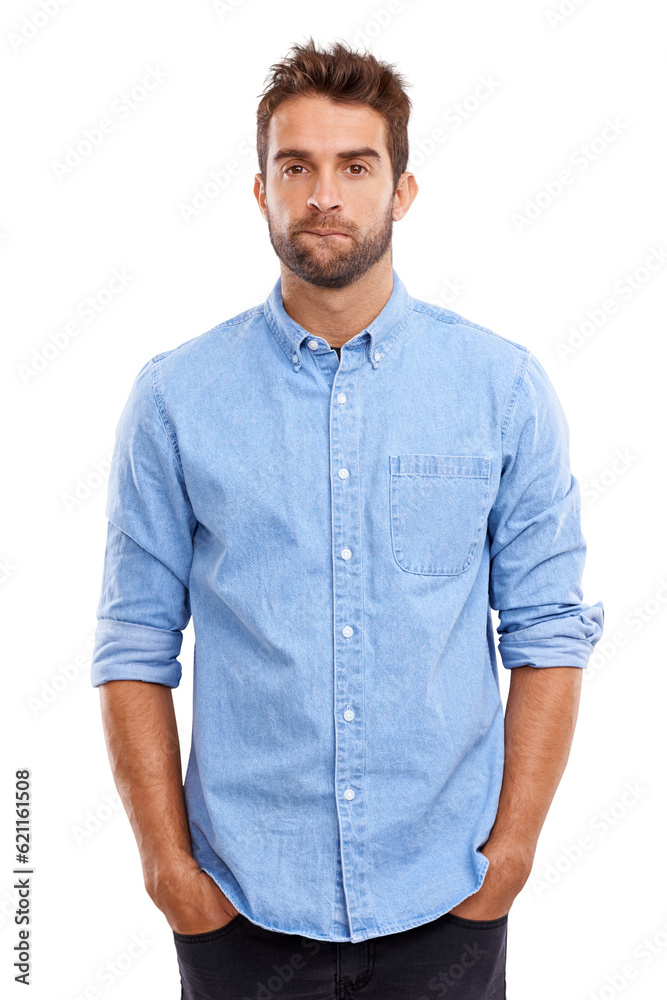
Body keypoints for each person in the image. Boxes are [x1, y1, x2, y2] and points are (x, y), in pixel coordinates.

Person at [90, 37, 604, 1000]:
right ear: (261, 192)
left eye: (355, 167)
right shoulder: (175, 399)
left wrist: (508, 858)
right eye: (296, 167)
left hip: (445, 902)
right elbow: (134, 641)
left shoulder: (500, 389)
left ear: (401, 191)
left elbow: (546, 631)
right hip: (239, 910)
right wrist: (170, 874)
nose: (324, 194)